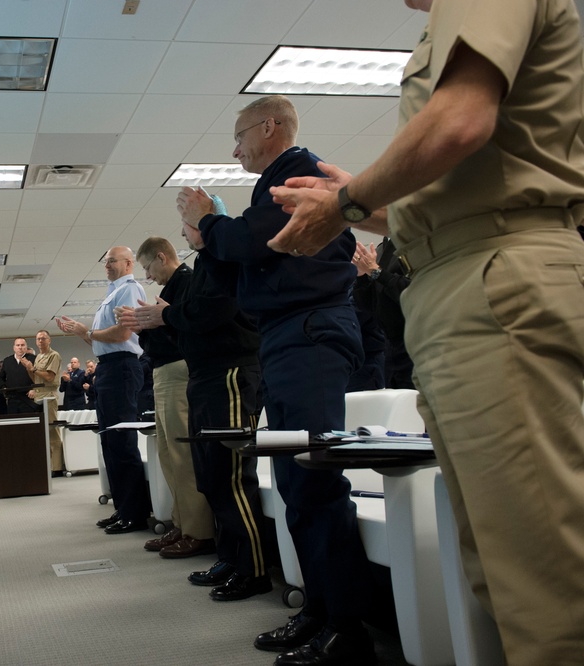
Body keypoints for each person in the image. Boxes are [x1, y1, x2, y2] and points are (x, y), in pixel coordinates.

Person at [267, 1, 584, 661]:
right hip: (456, 281)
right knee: (498, 568)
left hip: (493, 282)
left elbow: (459, 122)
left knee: (542, 582)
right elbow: (465, 182)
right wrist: (365, 203)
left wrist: (347, 206)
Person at [177, 95, 380, 664]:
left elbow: (248, 242)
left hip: (311, 330)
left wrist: (207, 220)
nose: (234, 147)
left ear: (270, 127)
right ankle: (319, 610)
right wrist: (209, 234)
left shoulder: (301, 172)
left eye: (239, 135)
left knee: (315, 482)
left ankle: (347, 627)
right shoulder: (271, 183)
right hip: (287, 336)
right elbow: (236, 262)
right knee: (295, 486)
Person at [119, 237, 215, 560]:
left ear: (162, 258)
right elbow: (162, 337)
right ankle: (181, 523)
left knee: (183, 455)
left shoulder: (185, 283)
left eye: (148, 267)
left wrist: (152, 321)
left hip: (178, 371)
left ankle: (198, 530)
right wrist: (141, 326)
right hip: (162, 371)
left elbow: (185, 331)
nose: (148, 276)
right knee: (167, 454)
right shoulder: (171, 289)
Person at [57, 246, 152, 535]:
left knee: (122, 443)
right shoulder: (111, 294)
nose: (106, 265)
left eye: (111, 261)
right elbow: (100, 343)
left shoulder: (129, 289)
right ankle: (122, 508)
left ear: (128, 263)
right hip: (109, 368)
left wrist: (86, 332)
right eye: (105, 261)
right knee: (110, 443)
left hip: (122, 367)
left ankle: (134, 513)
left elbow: (123, 334)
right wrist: (83, 334)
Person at [352, 239, 413, 389]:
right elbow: (369, 306)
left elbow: (415, 293)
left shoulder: (414, 245)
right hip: (391, 350)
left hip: (414, 344)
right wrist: (361, 277)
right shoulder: (381, 249)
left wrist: (375, 272)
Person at [24, 330, 65, 477]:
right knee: (44, 432)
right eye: (38, 339)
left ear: (49, 340)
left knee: (53, 431)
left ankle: (57, 467)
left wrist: (33, 368)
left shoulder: (54, 355)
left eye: (43, 338)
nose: (40, 341)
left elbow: (49, 377)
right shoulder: (39, 356)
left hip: (49, 395)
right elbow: (35, 378)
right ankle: (49, 464)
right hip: (39, 395)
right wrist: (29, 368)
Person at [0, 338, 39, 414]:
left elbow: (39, 376)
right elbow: (1, 378)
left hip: (28, 398)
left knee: (29, 422)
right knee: (14, 423)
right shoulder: (7, 361)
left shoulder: (33, 359)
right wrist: (4, 388)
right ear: (14, 348)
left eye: (22, 345)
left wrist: (34, 389)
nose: (20, 347)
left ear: (26, 347)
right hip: (12, 398)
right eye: (18, 345)